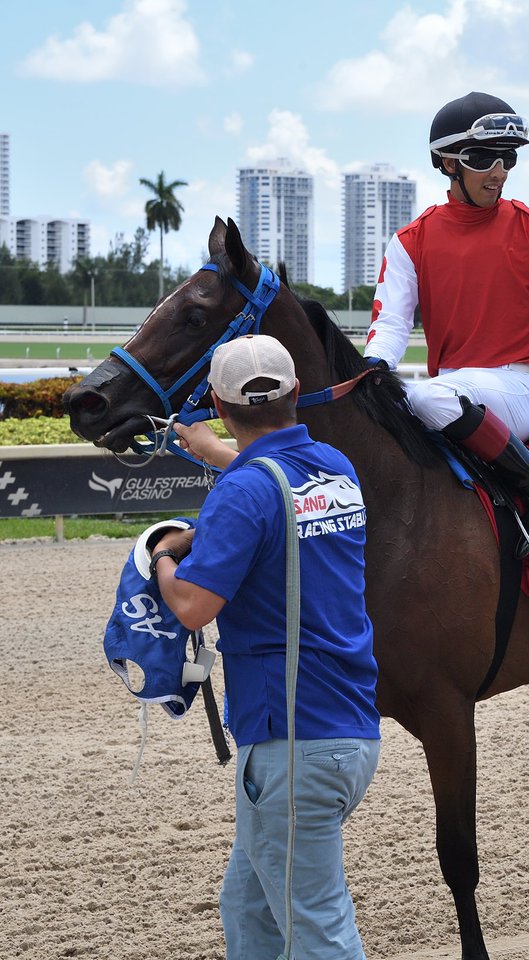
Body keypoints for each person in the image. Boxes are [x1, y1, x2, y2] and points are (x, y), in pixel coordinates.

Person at [151, 334, 381, 960]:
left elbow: (195, 606)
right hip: (349, 732)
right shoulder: (337, 466)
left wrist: (163, 558)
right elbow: (277, 486)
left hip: (290, 746)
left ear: (220, 405)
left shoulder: (244, 493)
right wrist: (217, 454)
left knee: (317, 932)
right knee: (249, 908)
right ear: (297, 394)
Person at [364, 90, 529, 556]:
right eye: (484, 158)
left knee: (425, 395)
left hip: (516, 391)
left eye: (507, 158)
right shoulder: (411, 240)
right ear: (448, 163)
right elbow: (389, 325)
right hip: (453, 393)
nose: (499, 172)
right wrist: (372, 371)